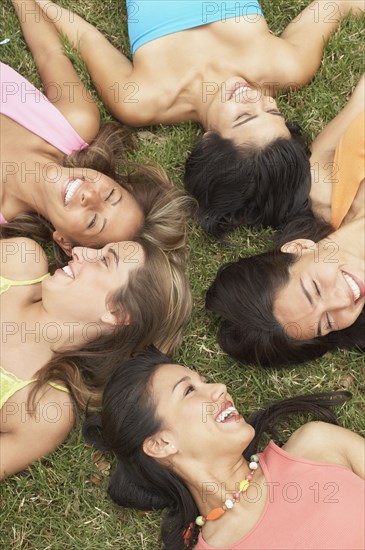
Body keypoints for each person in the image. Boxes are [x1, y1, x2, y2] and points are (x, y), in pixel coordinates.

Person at [34, 0, 364, 237]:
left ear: (209, 142)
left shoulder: (141, 99)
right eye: (272, 109)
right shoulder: (284, 66)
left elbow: (86, 38)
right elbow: (334, 6)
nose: (255, 96)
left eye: (245, 116)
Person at [83, 348, 365, 550]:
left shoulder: (317, 446)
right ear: (161, 444)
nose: (220, 387)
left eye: (204, 381)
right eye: (189, 391)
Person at [1, 0, 191, 262]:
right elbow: (48, 52)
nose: (89, 195)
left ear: (65, 242)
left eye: (92, 222)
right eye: (110, 194)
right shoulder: (74, 121)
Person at [0, 238, 191, 479]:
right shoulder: (18, 262)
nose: (80, 251)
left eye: (104, 260)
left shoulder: (43, 409)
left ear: (117, 313)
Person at [206, 77, 365, 367]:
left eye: (315, 289)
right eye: (327, 322)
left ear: (299, 248)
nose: (342, 300)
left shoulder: (323, 185)